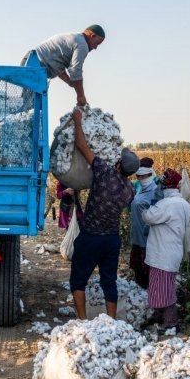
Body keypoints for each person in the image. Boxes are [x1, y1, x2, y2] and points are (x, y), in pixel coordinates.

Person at [68, 108, 138, 320]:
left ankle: (82, 321)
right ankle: (111, 321)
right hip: (111, 240)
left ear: (117, 165)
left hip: (90, 238)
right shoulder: (130, 190)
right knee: (109, 282)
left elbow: (81, 146)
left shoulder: (104, 172)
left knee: (78, 281)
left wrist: (78, 121)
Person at [141, 168, 190, 329]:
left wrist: (150, 204)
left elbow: (148, 216)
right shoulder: (183, 203)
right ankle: (159, 316)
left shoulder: (166, 204)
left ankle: (170, 322)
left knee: (163, 290)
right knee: (163, 286)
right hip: (173, 251)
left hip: (163, 254)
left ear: (164, 187)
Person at [21, 25, 106, 110]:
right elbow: (75, 69)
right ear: (92, 36)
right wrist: (81, 96)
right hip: (34, 66)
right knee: (30, 109)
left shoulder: (74, 38)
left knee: (32, 108)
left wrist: (69, 81)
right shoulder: (82, 45)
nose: (95, 47)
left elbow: (56, 65)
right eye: (97, 43)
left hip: (32, 63)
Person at [129, 158, 160, 289]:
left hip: (148, 238)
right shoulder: (138, 187)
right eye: (138, 176)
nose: (141, 178)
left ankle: (151, 296)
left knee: (147, 269)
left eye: (144, 175)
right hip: (136, 235)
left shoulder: (156, 191)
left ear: (150, 174)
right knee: (138, 269)